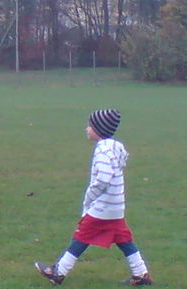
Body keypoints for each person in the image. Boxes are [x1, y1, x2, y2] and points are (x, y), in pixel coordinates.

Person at [34, 109, 153, 286]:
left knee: (81, 236)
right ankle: (141, 274)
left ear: (99, 129)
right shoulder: (115, 147)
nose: (86, 129)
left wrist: (90, 197)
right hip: (116, 206)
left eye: (90, 126)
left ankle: (58, 272)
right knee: (124, 239)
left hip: (103, 207)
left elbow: (103, 179)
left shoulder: (102, 151)